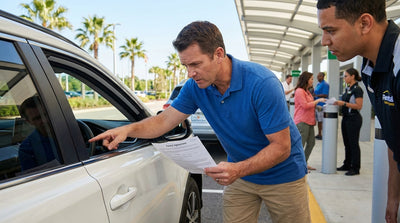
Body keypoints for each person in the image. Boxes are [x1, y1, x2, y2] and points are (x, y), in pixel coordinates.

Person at [90, 21, 310, 223]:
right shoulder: (195, 87)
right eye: (186, 65)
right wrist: (128, 130)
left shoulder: (262, 83)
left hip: (283, 176)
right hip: (241, 177)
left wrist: (237, 170)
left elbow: (281, 147)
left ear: (219, 54)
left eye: (195, 64)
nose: (190, 73)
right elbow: (164, 121)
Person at [317, 0, 400, 221]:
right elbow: (395, 141)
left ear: (364, 23)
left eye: (331, 31)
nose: (325, 41)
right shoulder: (370, 67)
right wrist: (393, 198)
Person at [293, 71, 326, 171]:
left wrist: (317, 107)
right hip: (302, 121)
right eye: (311, 79)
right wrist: (317, 101)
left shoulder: (307, 91)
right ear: (306, 80)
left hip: (310, 121)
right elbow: (305, 105)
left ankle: (304, 162)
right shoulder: (299, 91)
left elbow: (310, 103)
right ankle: (297, 166)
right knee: (300, 144)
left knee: (311, 143)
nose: (313, 81)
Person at [334, 68, 364, 176]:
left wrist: (344, 104)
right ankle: (347, 164)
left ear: (352, 76)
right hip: (346, 118)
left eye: (346, 76)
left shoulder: (357, 89)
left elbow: (359, 106)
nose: (344, 78)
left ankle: (355, 167)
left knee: (353, 143)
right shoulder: (348, 88)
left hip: (353, 119)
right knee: (347, 143)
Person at [18, 96, 58, 171]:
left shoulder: (72, 129)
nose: (44, 120)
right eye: (37, 118)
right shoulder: (27, 148)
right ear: (29, 122)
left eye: (46, 114)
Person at [313, 72, 329, 140]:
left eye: (319, 76)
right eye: (317, 76)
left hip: (321, 105)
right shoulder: (318, 84)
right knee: (318, 120)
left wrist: (316, 96)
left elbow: (325, 95)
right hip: (317, 104)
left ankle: (321, 134)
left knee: (321, 120)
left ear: (322, 77)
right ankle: (319, 133)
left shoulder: (325, 84)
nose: (318, 77)